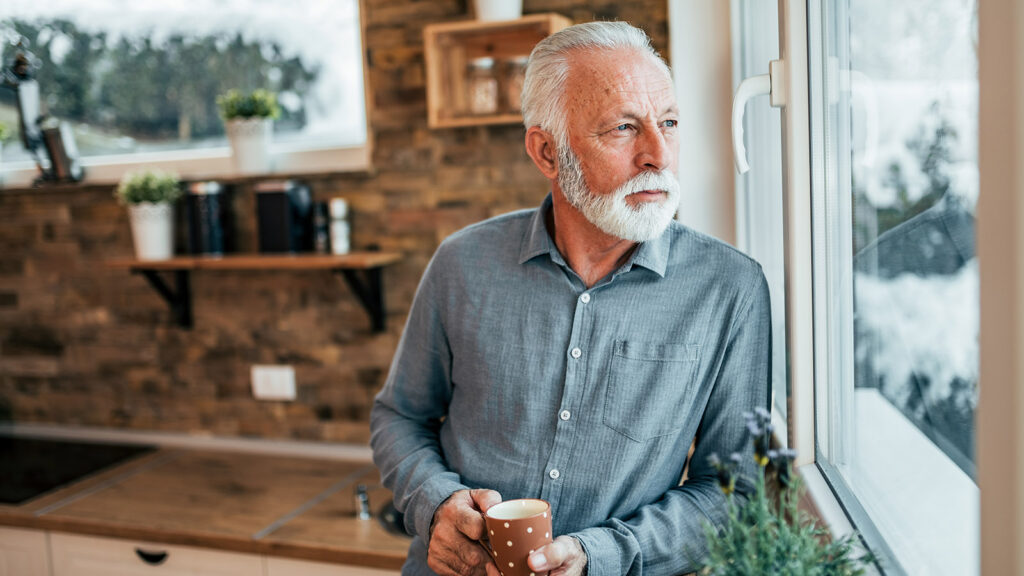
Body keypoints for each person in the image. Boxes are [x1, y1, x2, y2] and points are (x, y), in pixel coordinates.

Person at [370, 21, 771, 576]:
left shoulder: (731, 288)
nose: (658, 154)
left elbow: (736, 495)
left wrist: (597, 556)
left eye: (670, 123)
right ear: (546, 152)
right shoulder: (461, 263)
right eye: (623, 128)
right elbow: (399, 417)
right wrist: (434, 502)